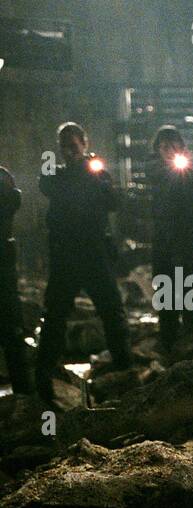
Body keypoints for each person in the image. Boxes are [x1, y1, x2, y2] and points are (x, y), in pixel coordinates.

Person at [35, 122, 132, 403]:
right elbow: (47, 184)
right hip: (68, 255)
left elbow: (113, 202)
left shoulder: (96, 175)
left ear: (84, 144)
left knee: (111, 310)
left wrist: (96, 174)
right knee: (55, 314)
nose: (69, 152)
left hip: (92, 253)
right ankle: (45, 371)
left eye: (73, 146)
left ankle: (124, 367)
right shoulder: (60, 176)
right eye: (65, 147)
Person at [146, 125, 193, 352]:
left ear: (181, 147)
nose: (168, 151)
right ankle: (168, 333)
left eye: (172, 146)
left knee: (187, 282)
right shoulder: (155, 169)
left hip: (186, 235)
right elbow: (154, 173)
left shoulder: (192, 169)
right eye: (163, 147)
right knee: (164, 282)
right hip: (163, 236)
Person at [0, 166, 31, 393]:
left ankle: (24, 391)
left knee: (11, 330)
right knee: (12, 330)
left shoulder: (2, 179)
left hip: (2, 266)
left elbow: (12, 201)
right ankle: (23, 390)